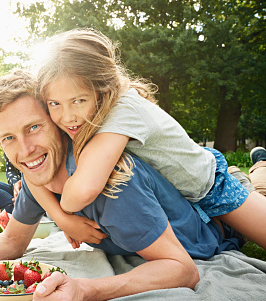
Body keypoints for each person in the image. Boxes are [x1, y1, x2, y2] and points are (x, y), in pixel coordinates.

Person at [0, 70, 245, 301]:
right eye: (8, 138)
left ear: (58, 120)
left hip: (214, 230)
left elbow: (182, 270)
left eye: (33, 127)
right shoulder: (38, 172)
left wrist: (85, 290)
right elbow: (10, 243)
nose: (25, 150)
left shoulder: (111, 180)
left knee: (249, 184)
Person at [25, 28, 266, 250]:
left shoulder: (122, 112)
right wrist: (59, 215)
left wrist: (64, 216)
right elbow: (28, 167)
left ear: (103, 89)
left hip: (213, 186)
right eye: (55, 104)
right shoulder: (84, 117)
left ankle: (259, 167)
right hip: (185, 203)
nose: (67, 116)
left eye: (79, 100)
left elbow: (82, 190)